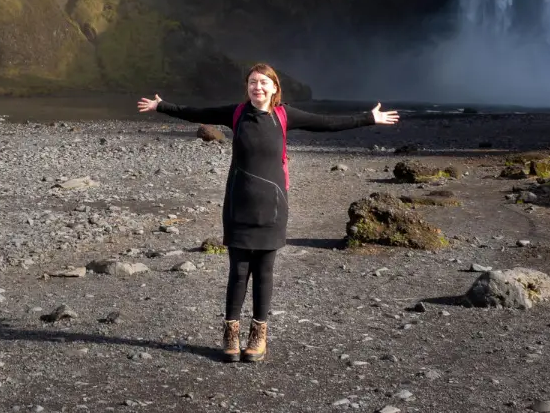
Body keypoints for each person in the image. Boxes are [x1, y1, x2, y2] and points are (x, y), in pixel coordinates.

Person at [137, 63, 399, 363]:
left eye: (263, 82)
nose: (257, 87)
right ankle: (230, 335)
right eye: (252, 83)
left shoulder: (285, 115)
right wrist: (162, 106)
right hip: (238, 204)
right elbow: (197, 112)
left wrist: (369, 118)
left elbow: (326, 122)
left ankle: (258, 337)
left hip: (273, 207)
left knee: (263, 273)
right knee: (237, 272)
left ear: (274, 87)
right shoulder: (235, 113)